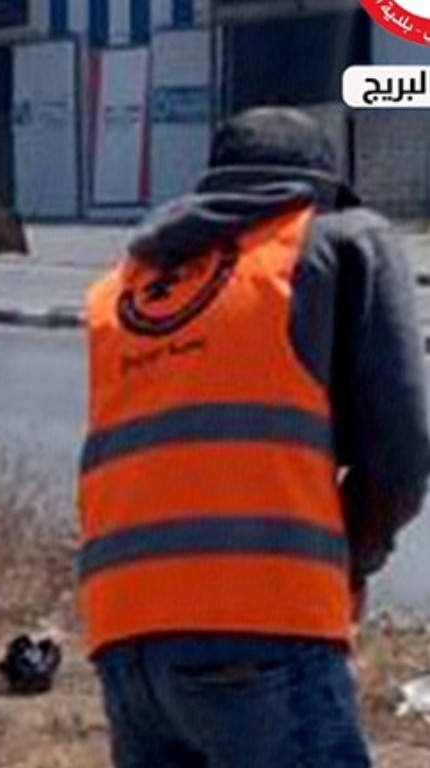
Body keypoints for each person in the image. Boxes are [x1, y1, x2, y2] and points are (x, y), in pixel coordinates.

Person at [78, 107, 430, 768]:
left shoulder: (125, 284)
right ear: (318, 184)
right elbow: (399, 458)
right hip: (262, 625)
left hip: (125, 641)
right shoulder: (336, 239)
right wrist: (354, 562)